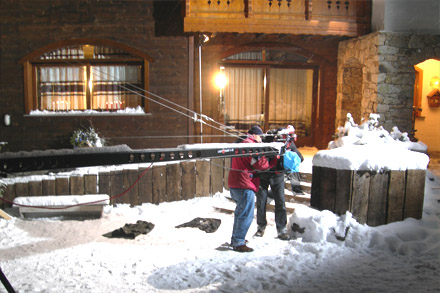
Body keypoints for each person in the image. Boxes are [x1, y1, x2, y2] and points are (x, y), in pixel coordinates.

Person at [228, 125, 276, 252]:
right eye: (260, 137)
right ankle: (238, 242)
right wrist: (273, 160)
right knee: (245, 215)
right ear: (255, 135)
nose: (261, 139)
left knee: (240, 213)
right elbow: (260, 164)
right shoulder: (252, 145)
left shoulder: (240, 143)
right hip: (245, 184)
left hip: (235, 183)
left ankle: (238, 238)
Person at [255, 126, 303, 240]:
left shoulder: (288, 143)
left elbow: (300, 158)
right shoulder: (268, 140)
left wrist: (288, 159)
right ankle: (261, 227)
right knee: (261, 202)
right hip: (263, 175)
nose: (281, 141)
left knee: (280, 203)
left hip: (278, 176)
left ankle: (281, 229)